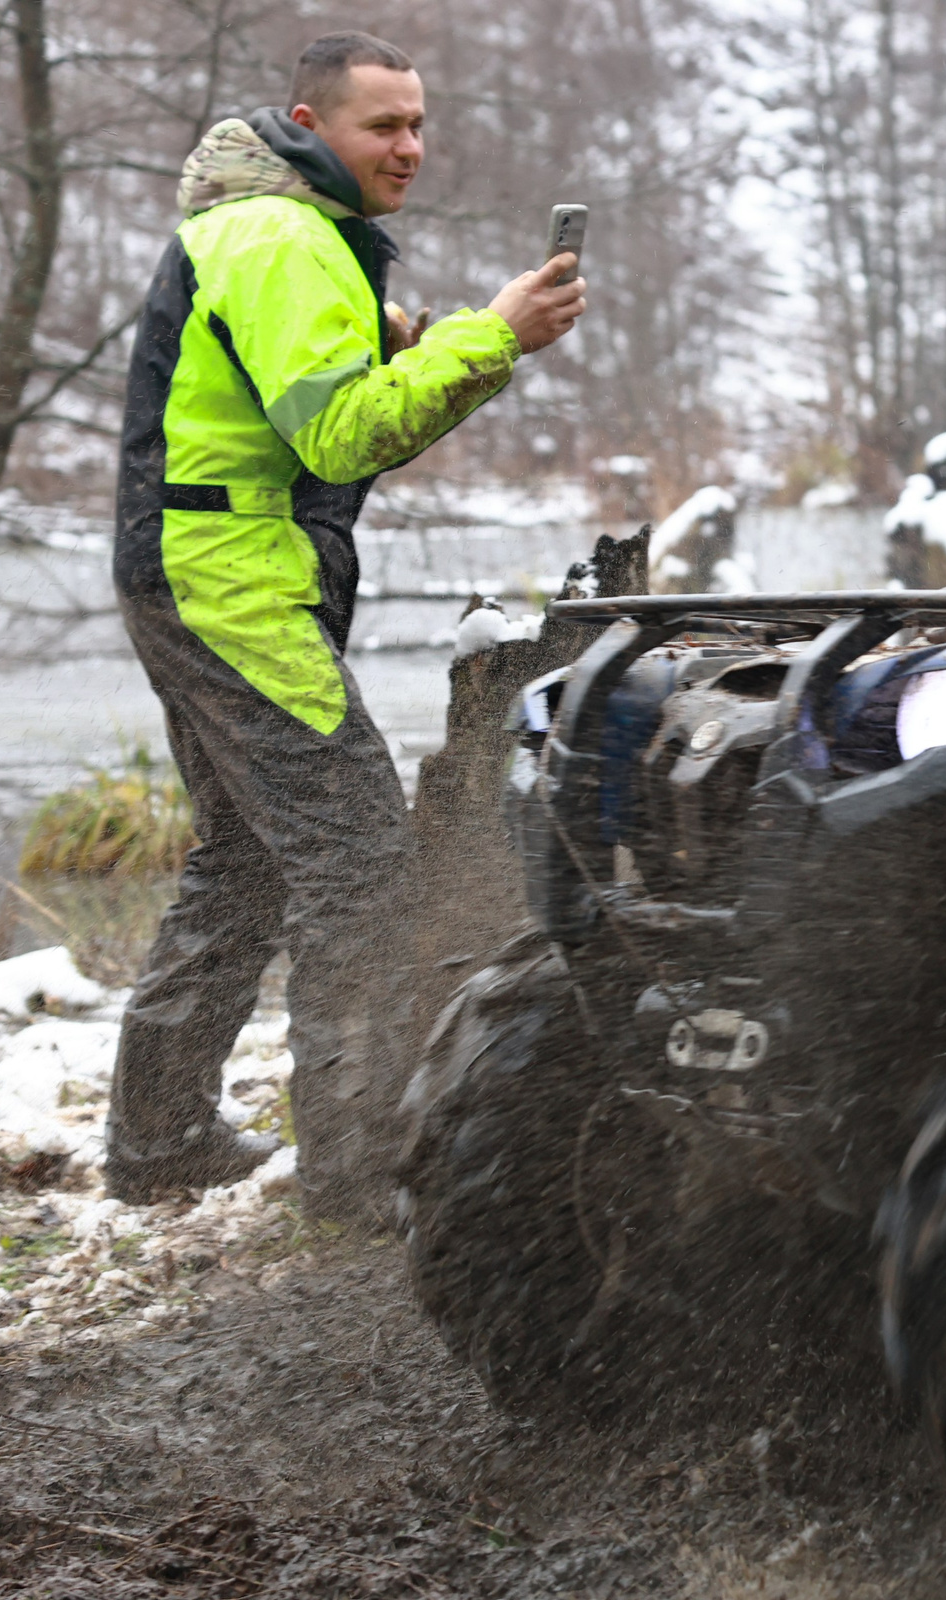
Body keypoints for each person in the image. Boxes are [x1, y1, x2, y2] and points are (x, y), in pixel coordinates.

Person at [104, 32, 586, 1214]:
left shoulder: (268, 230)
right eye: (384, 126)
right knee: (361, 863)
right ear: (307, 126)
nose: (410, 148)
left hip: (189, 567)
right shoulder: (283, 237)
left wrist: (409, 354)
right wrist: (491, 335)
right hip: (226, 580)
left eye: (418, 124)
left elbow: (305, 412)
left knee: (248, 864)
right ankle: (359, 1169)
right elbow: (338, 437)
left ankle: (158, 1142)